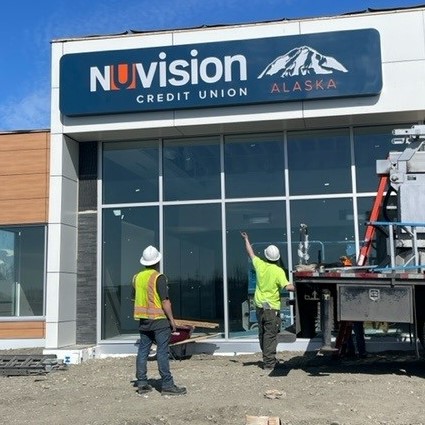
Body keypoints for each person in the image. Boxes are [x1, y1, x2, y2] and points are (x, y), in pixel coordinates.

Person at [133, 245, 186, 396]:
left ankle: (142, 382)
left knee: (143, 350)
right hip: (159, 321)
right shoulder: (158, 277)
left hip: (143, 321)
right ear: (157, 261)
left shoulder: (136, 278)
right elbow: (165, 302)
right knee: (162, 352)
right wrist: (172, 321)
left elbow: (134, 298)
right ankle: (167, 385)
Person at [241, 232, 295, 370]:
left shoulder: (260, 265)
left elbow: (251, 253)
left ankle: (267, 358)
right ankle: (269, 363)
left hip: (259, 307)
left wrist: (246, 239)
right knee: (270, 335)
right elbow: (287, 287)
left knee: (262, 333)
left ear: (266, 256)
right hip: (271, 309)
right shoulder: (278, 271)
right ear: (277, 258)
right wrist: (301, 286)